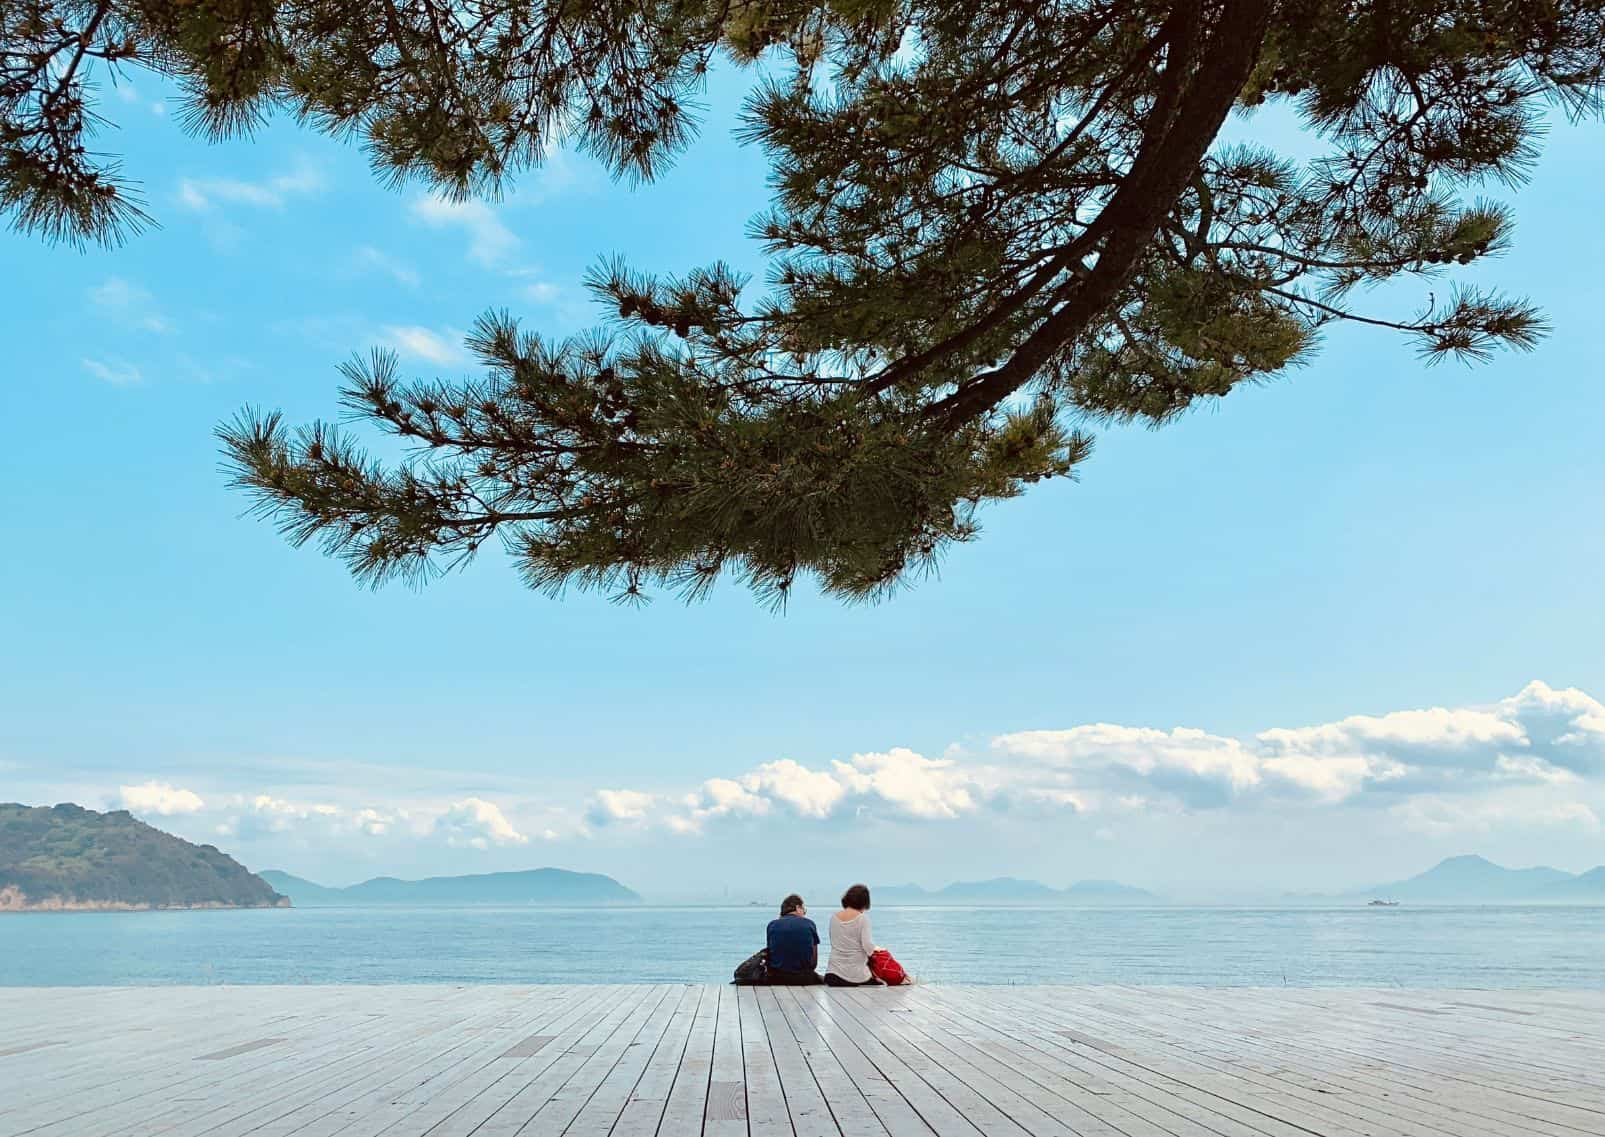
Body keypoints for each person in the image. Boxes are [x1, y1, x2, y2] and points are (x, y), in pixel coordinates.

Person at [825, 883, 883, 987]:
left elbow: (835, 942)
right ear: (864, 902)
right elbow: (868, 947)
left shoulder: (834, 918)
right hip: (856, 977)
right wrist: (878, 950)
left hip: (832, 975)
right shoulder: (862, 918)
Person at [765, 894, 823, 985]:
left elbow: (771, 953)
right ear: (797, 907)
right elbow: (813, 962)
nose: (804, 913)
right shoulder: (809, 924)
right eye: (804, 910)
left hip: (776, 978)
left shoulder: (772, 925)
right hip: (804, 978)